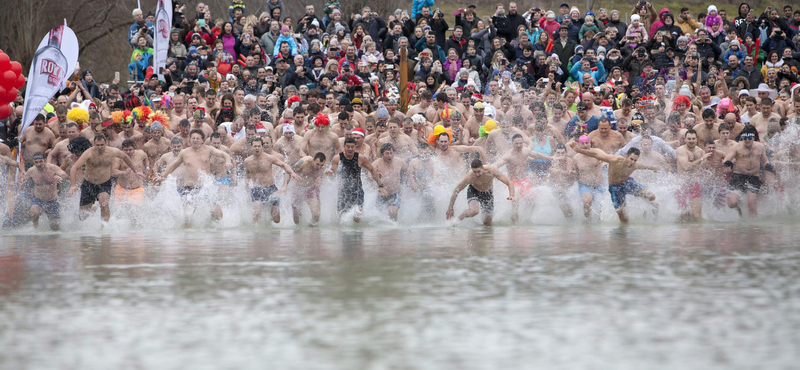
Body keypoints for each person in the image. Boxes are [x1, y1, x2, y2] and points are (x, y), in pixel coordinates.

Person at [156, 130, 233, 225]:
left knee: (217, 213)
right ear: (190, 139)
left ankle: (213, 231)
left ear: (202, 140)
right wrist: (162, 176)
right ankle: (187, 235)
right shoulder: (184, 152)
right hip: (189, 188)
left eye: (197, 138)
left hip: (205, 187)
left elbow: (224, 154)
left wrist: (228, 161)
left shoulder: (208, 149)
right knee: (188, 214)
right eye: (193, 138)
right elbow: (174, 165)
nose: (195, 140)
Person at [571, 143, 660, 223]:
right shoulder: (615, 160)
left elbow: (647, 166)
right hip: (615, 188)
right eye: (631, 159)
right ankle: (623, 236)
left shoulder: (635, 165)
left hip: (627, 183)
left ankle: (649, 212)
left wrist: (654, 168)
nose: (632, 162)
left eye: (635, 160)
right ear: (626, 156)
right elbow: (597, 154)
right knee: (624, 219)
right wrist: (580, 150)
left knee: (651, 196)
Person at [69, 134, 138, 222]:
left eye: (102, 145)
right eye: (97, 145)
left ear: (106, 143)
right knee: (83, 216)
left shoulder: (112, 151)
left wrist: (135, 169)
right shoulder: (89, 153)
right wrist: (73, 185)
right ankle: (93, 208)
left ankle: (105, 226)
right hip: (89, 184)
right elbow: (74, 168)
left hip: (104, 183)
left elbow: (125, 156)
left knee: (104, 204)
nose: (100, 147)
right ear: (94, 144)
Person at [493, 134, 552, 223]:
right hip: (512, 183)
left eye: (520, 143)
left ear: (523, 143)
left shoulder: (525, 151)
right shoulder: (508, 156)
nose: (519, 145)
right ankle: (515, 225)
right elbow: (497, 164)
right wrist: (491, 168)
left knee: (532, 200)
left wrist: (551, 158)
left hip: (524, 182)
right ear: (512, 143)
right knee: (515, 202)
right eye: (516, 144)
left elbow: (537, 154)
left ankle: (527, 219)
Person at [326, 137, 387, 223]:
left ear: (355, 147)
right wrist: (330, 173)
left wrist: (380, 185)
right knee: (342, 217)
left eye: (352, 147)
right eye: (348, 146)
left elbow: (372, 170)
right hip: (343, 190)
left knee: (358, 215)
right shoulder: (337, 158)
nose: (350, 149)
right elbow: (333, 173)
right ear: (344, 146)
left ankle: (357, 234)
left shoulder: (360, 158)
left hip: (357, 190)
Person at [243, 137, 300, 225]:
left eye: (259, 146)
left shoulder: (269, 158)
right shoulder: (247, 161)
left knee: (276, 220)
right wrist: (246, 184)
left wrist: (292, 173)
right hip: (257, 189)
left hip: (271, 188)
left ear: (262, 147)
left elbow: (284, 165)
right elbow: (247, 174)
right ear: (251, 147)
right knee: (256, 213)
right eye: (255, 146)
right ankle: (256, 235)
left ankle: (268, 222)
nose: (257, 148)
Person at [446, 159, 515, 226]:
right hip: (474, 190)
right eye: (474, 172)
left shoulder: (491, 170)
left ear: (482, 168)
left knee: (487, 223)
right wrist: (450, 207)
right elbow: (456, 190)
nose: (477, 174)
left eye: (479, 171)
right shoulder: (470, 176)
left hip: (487, 192)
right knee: (474, 211)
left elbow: (509, 182)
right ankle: (460, 217)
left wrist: (511, 195)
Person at [724, 126, 772, 217]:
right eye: (745, 138)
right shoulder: (736, 147)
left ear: (753, 137)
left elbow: (765, 160)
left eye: (749, 138)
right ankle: (739, 209)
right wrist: (727, 162)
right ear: (742, 137)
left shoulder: (760, 147)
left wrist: (767, 165)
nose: (747, 140)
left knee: (751, 204)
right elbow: (727, 159)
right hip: (738, 176)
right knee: (732, 203)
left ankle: (753, 227)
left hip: (753, 177)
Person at [675, 130, 713, 221]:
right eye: (689, 139)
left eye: (693, 139)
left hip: (694, 185)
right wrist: (702, 159)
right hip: (682, 186)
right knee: (684, 218)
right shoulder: (681, 150)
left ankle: (696, 234)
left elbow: (701, 167)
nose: (691, 141)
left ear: (696, 140)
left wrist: (706, 171)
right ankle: (684, 235)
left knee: (696, 216)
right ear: (685, 140)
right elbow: (686, 167)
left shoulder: (700, 151)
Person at [22, 153, 67, 230]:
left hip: (52, 200)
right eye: (36, 162)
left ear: (45, 160)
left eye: (41, 161)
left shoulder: (52, 168)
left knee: (55, 227)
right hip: (38, 199)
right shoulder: (31, 171)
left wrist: (60, 177)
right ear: (33, 162)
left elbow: (65, 175)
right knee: (34, 212)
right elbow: (24, 179)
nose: (39, 164)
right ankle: (35, 227)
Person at [283, 153, 327, 225]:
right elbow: (289, 171)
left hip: (312, 189)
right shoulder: (305, 162)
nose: (319, 167)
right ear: (313, 160)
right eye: (317, 164)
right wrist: (285, 186)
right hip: (298, 189)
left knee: (316, 215)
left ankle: (311, 233)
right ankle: (299, 234)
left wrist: (323, 178)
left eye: (321, 165)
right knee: (296, 219)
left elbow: (324, 177)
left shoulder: (323, 167)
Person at [572, 135, 606, 219]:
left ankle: (600, 221)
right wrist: (572, 173)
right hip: (585, 185)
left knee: (603, 205)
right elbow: (575, 172)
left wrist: (604, 162)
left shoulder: (597, 152)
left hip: (599, 184)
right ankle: (588, 221)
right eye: (582, 143)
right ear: (579, 145)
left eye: (587, 143)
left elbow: (607, 159)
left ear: (590, 143)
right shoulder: (576, 158)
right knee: (587, 201)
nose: (585, 145)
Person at [371, 143, 407, 221]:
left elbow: (407, 171)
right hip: (381, 192)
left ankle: (394, 228)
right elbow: (368, 176)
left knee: (392, 211)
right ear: (382, 154)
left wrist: (408, 182)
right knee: (377, 215)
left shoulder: (399, 161)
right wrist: (376, 175)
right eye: (387, 153)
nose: (389, 156)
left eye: (391, 153)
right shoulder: (376, 163)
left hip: (395, 192)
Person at [112, 139, 150, 208]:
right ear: (122, 149)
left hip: (137, 189)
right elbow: (113, 172)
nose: (128, 152)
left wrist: (147, 169)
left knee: (135, 210)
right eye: (126, 150)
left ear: (134, 148)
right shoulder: (118, 157)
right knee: (118, 212)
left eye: (130, 149)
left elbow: (146, 158)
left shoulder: (141, 153)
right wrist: (123, 172)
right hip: (121, 189)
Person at [548, 143, 577, 218]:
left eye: (562, 153)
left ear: (566, 153)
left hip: (570, 188)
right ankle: (566, 225)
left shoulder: (569, 161)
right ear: (555, 153)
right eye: (558, 153)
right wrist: (552, 170)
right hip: (559, 188)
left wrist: (559, 171)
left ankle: (571, 223)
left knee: (569, 208)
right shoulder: (554, 160)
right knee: (563, 206)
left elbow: (568, 173)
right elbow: (552, 174)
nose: (560, 155)